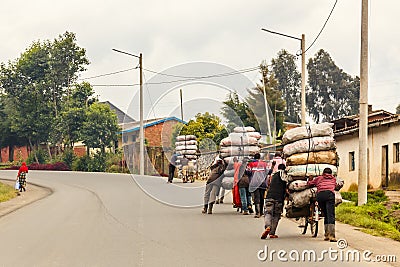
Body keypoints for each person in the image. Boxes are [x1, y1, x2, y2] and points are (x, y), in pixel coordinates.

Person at [307, 167, 337, 242]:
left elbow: (310, 184)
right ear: (331, 174)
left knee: (326, 214)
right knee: (330, 215)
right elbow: (336, 185)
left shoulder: (319, 178)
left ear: (323, 173)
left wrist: (310, 179)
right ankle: (332, 236)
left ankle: (326, 235)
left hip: (320, 196)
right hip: (330, 195)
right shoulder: (333, 179)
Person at [261, 163, 287, 239]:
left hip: (269, 196)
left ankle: (267, 226)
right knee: (276, 215)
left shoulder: (273, 175)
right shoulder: (286, 176)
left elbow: (267, 184)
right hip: (279, 198)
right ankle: (272, 233)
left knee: (268, 213)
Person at [247, 153, 269, 218]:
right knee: (262, 198)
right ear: (260, 157)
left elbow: (248, 172)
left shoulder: (251, 164)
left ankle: (257, 212)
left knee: (257, 198)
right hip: (263, 183)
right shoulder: (264, 164)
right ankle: (261, 212)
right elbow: (268, 172)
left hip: (255, 183)